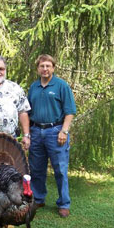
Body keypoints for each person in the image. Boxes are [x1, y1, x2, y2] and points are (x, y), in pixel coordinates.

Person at [27, 54, 76, 218]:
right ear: (38, 68)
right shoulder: (33, 87)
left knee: (60, 169)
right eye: (42, 66)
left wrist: (64, 131)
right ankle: (38, 198)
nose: (45, 69)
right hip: (36, 131)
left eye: (48, 66)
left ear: (53, 68)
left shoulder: (61, 86)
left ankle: (64, 203)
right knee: (36, 168)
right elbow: (26, 111)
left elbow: (70, 111)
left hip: (55, 132)